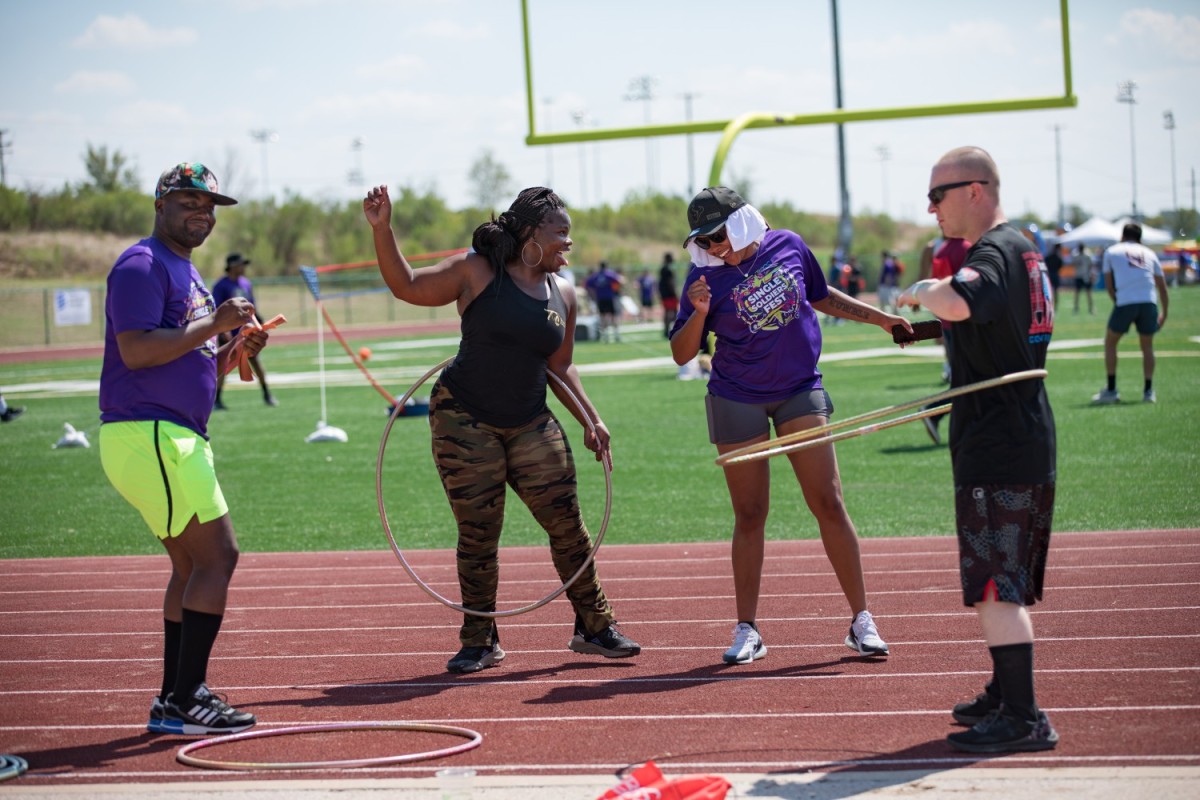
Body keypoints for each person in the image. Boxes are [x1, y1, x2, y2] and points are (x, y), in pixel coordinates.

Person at [362, 184, 640, 673]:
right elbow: (406, 285)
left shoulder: (565, 293)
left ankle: (594, 627)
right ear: (532, 232)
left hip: (531, 419)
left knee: (568, 527)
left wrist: (592, 419)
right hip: (464, 418)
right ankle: (479, 638)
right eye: (561, 232)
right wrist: (383, 231)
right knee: (478, 535)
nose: (568, 243)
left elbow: (561, 368)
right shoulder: (476, 270)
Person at [669, 186, 909, 666]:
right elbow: (681, 352)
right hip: (737, 397)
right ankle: (747, 628)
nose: (712, 248)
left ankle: (861, 620)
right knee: (751, 512)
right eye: (703, 240)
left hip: (800, 388)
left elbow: (821, 297)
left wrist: (882, 320)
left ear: (740, 223)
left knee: (828, 501)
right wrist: (697, 314)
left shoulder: (789, 245)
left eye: (717, 236)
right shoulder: (702, 277)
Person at [895, 146, 1058, 753]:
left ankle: (1022, 716)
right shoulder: (1024, 248)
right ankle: (1003, 690)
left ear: (974, 191)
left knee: (996, 585)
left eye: (937, 195)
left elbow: (962, 300)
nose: (930, 207)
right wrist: (934, 324)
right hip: (1017, 434)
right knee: (1001, 579)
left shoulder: (992, 251)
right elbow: (989, 321)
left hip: (1001, 441)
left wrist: (921, 292)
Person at [99, 162, 270, 735]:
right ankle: (187, 698)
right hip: (151, 433)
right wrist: (216, 323)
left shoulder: (185, 271)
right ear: (160, 204)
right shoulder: (143, 264)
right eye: (189, 202)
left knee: (191, 564)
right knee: (219, 558)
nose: (202, 212)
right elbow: (139, 352)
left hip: (164, 434)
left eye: (210, 206)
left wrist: (233, 349)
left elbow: (191, 358)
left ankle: (173, 698)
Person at [1092, 222, 1169, 405]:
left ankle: (1111, 390)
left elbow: (1110, 286)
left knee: (1110, 342)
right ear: (1139, 238)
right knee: (1147, 346)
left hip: (1126, 301)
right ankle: (1148, 391)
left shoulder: (1112, 251)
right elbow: (1162, 286)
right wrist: (1164, 313)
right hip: (1149, 301)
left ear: (1122, 236)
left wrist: (1118, 302)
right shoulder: (1149, 253)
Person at [921, 237, 971, 445]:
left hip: (948, 322)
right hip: (963, 324)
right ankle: (934, 412)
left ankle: (937, 414)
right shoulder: (966, 248)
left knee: (964, 378)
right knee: (970, 380)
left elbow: (936, 288)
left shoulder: (941, 251)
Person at [211, 253, 277, 409]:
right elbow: (216, 309)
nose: (243, 268)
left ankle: (267, 394)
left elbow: (252, 308)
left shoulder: (246, 284)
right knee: (224, 364)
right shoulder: (221, 285)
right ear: (232, 266)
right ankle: (217, 399)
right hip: (228, 332)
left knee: (256, 361)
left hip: (247, 331)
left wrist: (261, 323)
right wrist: (222, 331)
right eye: (241, 264)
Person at [584, 259, 624, 342]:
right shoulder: (609, 274)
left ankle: (605, 335)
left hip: (600, 298)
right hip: (610, 298)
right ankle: (616, 334)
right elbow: (620, 281)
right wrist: (616, 290)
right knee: (613, 316)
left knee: (602, 316)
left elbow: (587, 284)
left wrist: (593, 293)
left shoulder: (596, 275)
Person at [658, 252, 679, 339]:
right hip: (669, 294)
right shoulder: (668, 269)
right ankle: (673, 329)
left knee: (668, 312)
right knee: (673, 312)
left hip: (665, 294)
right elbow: (670, 283)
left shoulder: (663, 269)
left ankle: (667, 330)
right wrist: (675, 293)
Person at [1072, 243, 1094, 314]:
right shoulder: (1076, 256)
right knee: (1078, 293)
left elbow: (1090, 265)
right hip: (1079, 276)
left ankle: (1091, 308)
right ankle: (1076, 308)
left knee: (1088, 293)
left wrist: (1090, 274)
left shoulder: (1087, 255)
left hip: (1085, 276)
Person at [1044, 243, 1063, 310]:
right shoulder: (1058, 257)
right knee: (1055, 291)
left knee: (1049, 291)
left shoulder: (1049, 256)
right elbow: (1060, 265)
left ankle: (1050, 304)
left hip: (1050, 274)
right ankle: (1055, 305)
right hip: (1055, 274)